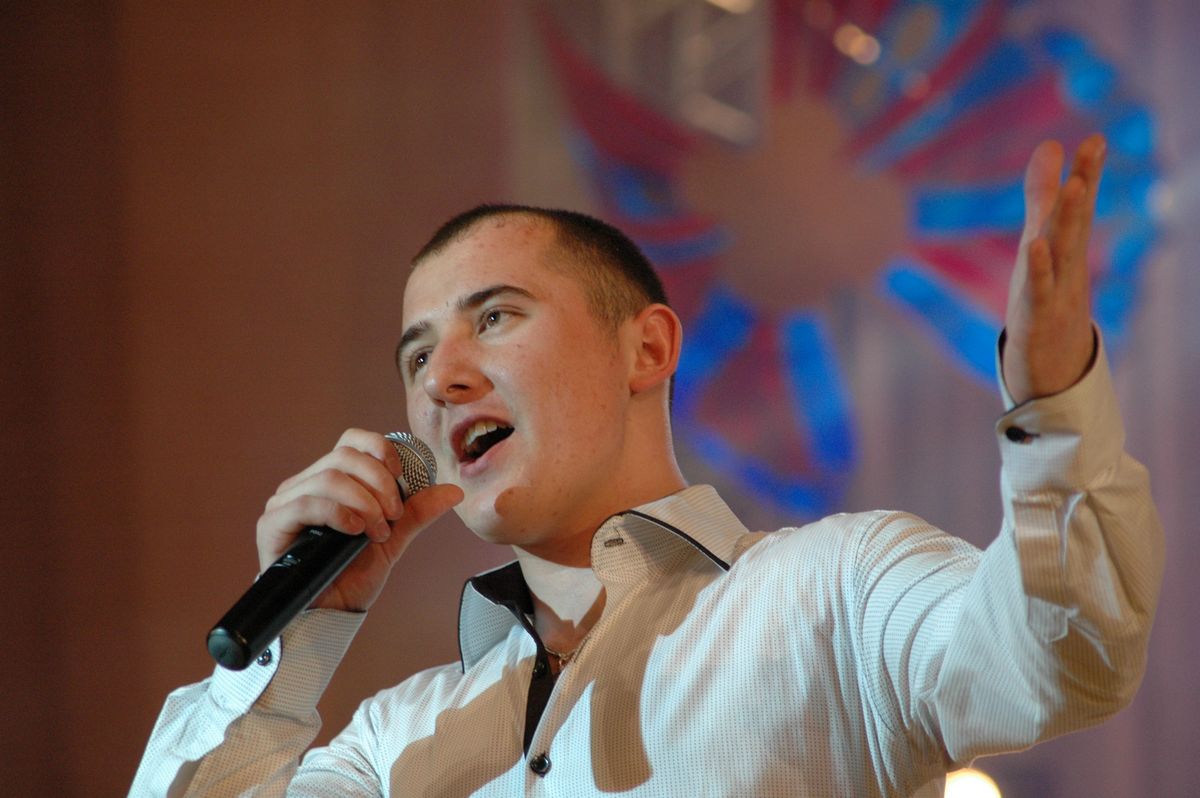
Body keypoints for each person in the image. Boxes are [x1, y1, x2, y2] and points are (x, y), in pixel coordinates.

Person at [132, 135, 1162, 796]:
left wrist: (1054, 409)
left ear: (648, 349)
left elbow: (1059, 660)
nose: (441, 377)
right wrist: (299, 631)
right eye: (415, 357)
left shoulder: (835, 594)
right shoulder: (398, 738)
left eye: (495, 317)